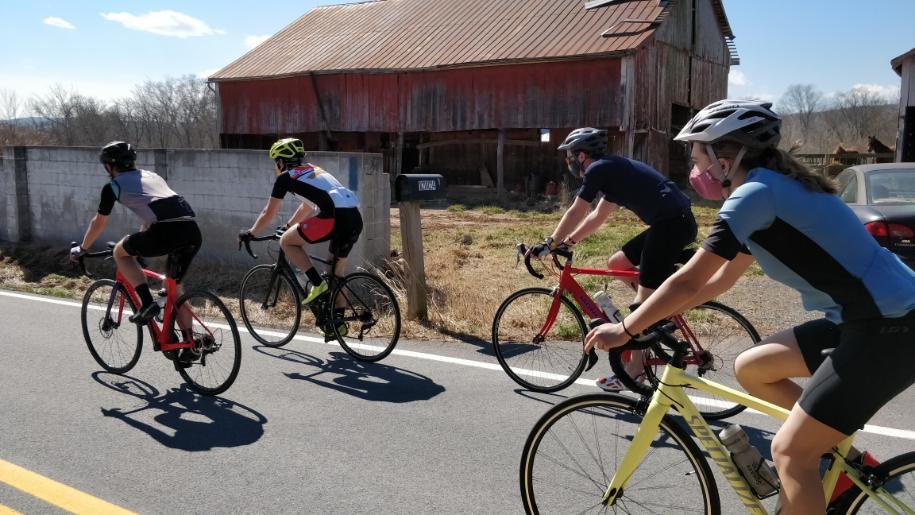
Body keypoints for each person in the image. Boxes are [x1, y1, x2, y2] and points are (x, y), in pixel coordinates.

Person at [584, 99, 915, 513]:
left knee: (790, 452)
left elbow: (688, 280)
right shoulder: (769, 189)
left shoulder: (755, 196)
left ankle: (815, 455)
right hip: (865, 317)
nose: (695, 170)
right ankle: (843, 464)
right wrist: (658, 316)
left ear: (725, 158)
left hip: (891, 326)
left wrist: (626, 328)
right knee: (753, 367)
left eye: (698, 158)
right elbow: (719, 280)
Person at [528, 127, 697, 391]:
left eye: (570, 155)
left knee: (641, 306)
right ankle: (661, 308)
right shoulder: (611, 171)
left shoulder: (599, 169)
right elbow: (597, 216)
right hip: (674, 223)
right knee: (617, 264)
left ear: (581, 156)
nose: (568, 161)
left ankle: (635, 372)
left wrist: (549, 244)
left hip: (671, 225)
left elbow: (577, 210)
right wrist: (568, 242)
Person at [70, 141, 202, 363]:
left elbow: (98, 222)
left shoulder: (113, 186)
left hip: (164, 232)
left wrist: (82, 249)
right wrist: (141, 244)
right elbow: (153, 212)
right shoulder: (152, 176)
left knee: (120, 252)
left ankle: (147, 303)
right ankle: (190, 343)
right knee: (174, 289)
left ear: (108, 166)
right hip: (192, 231)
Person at [239, 138, 362, 337]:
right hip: (354, 218)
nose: (275, 166)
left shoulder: (285, 178)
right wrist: (288, 226)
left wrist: (251, 233)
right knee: (335, 274)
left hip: (333, 218)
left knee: (286, 241)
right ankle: (337, 324)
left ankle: (317, 284)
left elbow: (268, 213)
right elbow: (307, 206)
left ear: (280, 161)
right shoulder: (313, 170)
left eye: (275, 162)